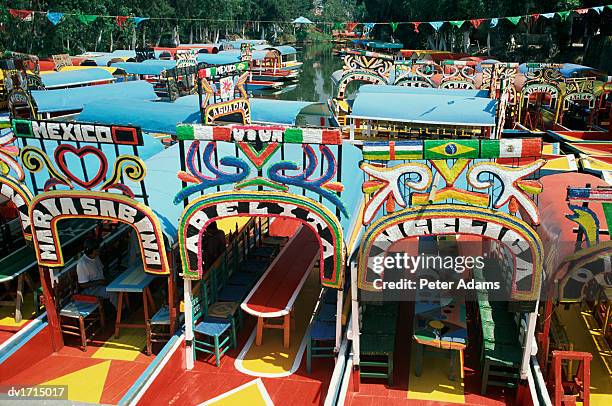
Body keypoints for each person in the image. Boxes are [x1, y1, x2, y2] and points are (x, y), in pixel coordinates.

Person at [76, 239, 118, 309]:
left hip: (103, 282)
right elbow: (83, 285)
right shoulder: (82, 264)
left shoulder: (96, 256)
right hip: (93, 290)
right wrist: (99, 282)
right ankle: (121, 310)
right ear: (94, 250)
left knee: (117, 280)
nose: (99, 249)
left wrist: (107, 278)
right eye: (98, 248)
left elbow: (102, 269)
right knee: (112, 292)